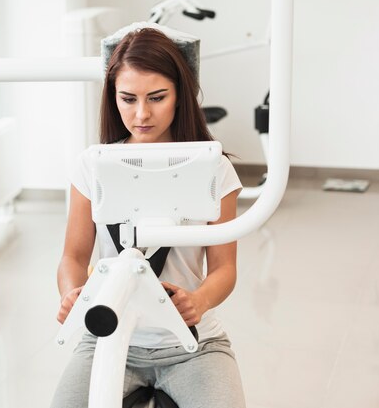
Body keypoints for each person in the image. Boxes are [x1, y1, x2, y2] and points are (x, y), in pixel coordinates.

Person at [51, 25, 246, 408]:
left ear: (179, 96)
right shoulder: (92, 166)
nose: (141, 114)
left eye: (157, 97)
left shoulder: (215, 169)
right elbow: (73, 258)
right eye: (128, 99)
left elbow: (225, 270)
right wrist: (72, 294)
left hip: (193, 344)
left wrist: (199, 300)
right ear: (113, 98)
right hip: (108, 338)